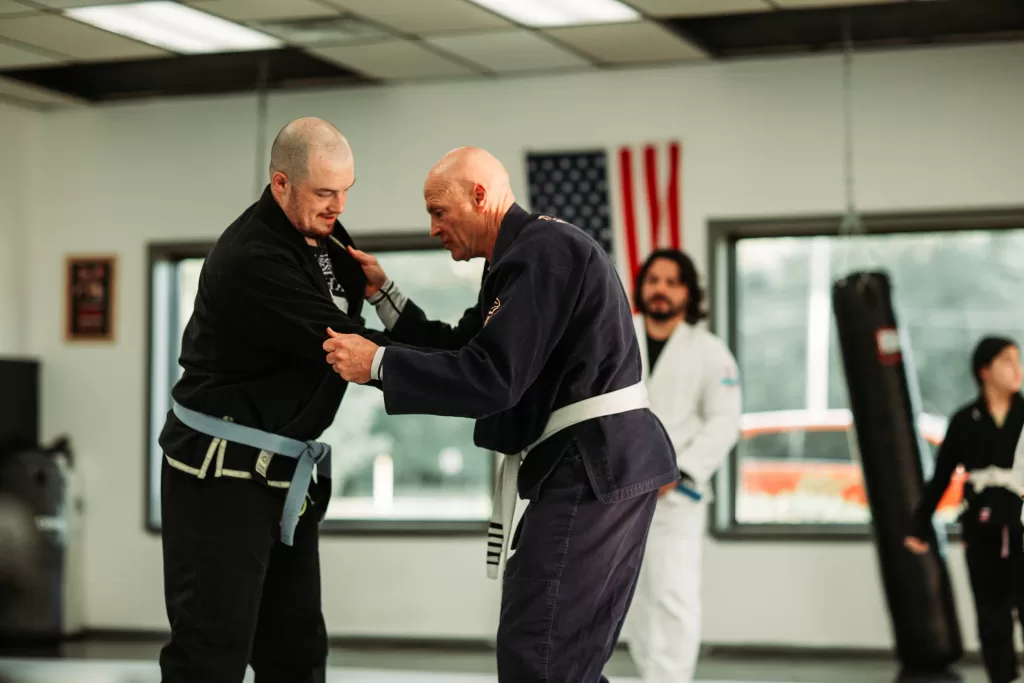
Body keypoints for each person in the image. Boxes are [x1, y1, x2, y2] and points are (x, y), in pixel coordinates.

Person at [324, 147, 679, 682]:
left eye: (440, 212)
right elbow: (462, 346)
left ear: (480, 197)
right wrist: (384, 296)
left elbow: (490, 377)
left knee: (537, 652)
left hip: (593, 465)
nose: (432, 228)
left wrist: (377, 365)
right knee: (566, 657)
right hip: (598, 462)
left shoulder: (541, 253)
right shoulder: (524, 255)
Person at [156, 117, 390, 682]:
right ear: (281, 183)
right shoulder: (252, 256)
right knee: (211, 654)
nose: (338, 206)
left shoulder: (330, 238)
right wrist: (466, 374)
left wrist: (394, 299)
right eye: (324, 192)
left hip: (287, 473)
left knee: (297, 653)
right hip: (221, 473)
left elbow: (361, 321)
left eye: (346, 191)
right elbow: (346, 347)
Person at [623, 249, 741, 683]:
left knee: (673, 595)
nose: (661, 289)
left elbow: (725, 422)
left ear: (689, 294)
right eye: (654, 279)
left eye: (672, 282)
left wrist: (681, 471)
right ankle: (650, 674)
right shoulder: (619, 335)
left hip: (677, 499)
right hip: (621, 492)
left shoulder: (710, 352)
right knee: (629, 597)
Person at [904, 336, 1024, 683]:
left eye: (1018, 361)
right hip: (982, 526)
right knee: (992, 613)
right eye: (1007, 361)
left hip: (1021, 526)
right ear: (984, 370)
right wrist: (918, 525)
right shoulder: (964, 421)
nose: (1016, 369)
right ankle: (1003, 678)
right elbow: (940, 477)